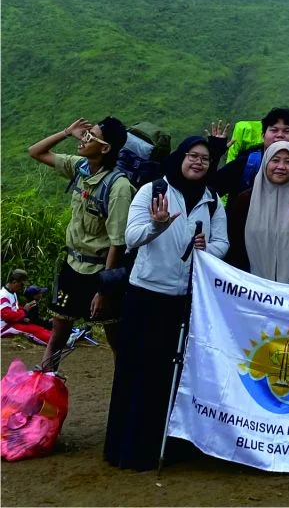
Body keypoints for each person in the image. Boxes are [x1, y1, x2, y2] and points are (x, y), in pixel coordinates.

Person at [104, 136, 228, 471]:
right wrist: (156, 226)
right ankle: (127, 448)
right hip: (146, 294)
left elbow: (222, 243)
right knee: (137, 370)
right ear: (180, 157)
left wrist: (206, 251)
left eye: (205, 158)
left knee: (170, 373)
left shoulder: (212, 200)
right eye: (193, 156)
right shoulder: (152, 190)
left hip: (184, 300)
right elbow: (131, 238)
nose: (198, 163)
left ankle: (166, 445)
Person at [28, 116, 131, 367]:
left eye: (90, 136)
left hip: (100, 272)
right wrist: (66, 132)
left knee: (115, 339)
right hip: (73, 266)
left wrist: (104, 290)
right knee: (58, 332)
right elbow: (36, 152)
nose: (83, 139)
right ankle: (44, 385)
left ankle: (123, 395)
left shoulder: (119, 187)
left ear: (105, 148)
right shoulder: (79, 168)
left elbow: (117, 242)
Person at [225, 142, 289, 284]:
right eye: (275, 160)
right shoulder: (245, 200)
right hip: (248, 288)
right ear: (265, 162)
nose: (281, 167)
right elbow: (234, 248)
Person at [209, 108, 289, 206]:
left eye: (287, 131)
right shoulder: (244, 165)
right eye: (274, 130)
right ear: (263, 135)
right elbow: (208, 193)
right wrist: (214, 155)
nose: (280, 135)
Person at [1, 270, 52, 346]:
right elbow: (6, 315)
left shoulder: (13, 293)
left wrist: (23, 313)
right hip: (5, 327)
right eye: (21, 284)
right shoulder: (3, 295)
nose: (22, 287)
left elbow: (15, 310)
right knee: (34, 331)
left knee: (37, 327)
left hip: (12, 323)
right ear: (14, 282)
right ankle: (55, 344)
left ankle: (58, 339)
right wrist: (24, 311)